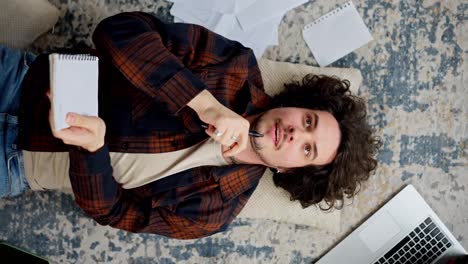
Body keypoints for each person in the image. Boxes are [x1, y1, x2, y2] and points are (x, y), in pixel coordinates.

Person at [0, 12, 380, 239]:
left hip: (15, 167)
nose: (298, 134)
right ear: (298, 106)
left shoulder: (214, 212)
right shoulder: (234, 67)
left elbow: (112, 212)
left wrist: (92, 151)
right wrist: (202, 103)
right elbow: (118, 32)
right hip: (21, 80)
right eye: (309, 121)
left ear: (290, 170)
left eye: (307, 149)